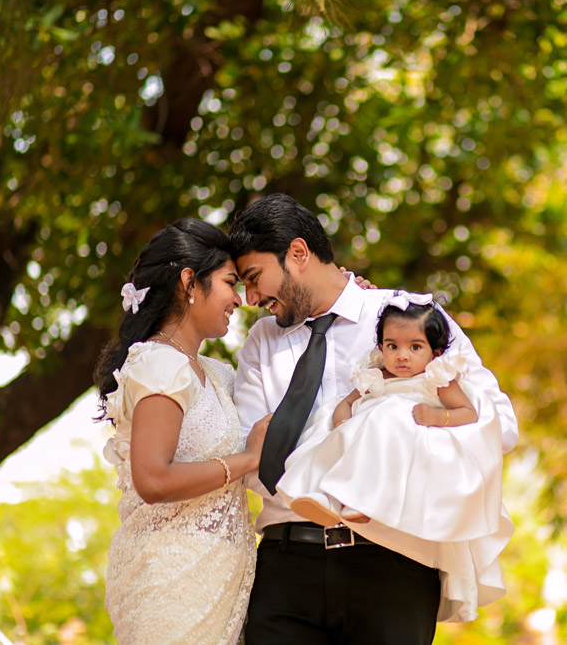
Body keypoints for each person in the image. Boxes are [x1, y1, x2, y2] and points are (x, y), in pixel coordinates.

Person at [229, 193, 519, 644]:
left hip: (394, 564)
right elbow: (257, 465)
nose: (249, 298)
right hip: (287, 567)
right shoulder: (260, 344)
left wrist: (400, 429)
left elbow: (497, 425)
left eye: (254, 277)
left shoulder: (411, 319)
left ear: (299, 254)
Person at [275, 292, 512, 623]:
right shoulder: (376, 377)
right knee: (331, 427)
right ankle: (322, 498)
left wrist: (437, 416)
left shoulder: (436, 380)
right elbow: (346, 402)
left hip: (408, 441)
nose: (402, 356)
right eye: (392, 346)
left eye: (415, 347)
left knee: (386, 421)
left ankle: (359, 501)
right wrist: (343, 421)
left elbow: (468, 413)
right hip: (369, 437)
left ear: (435, 352)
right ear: (381, 348)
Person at [94, 218, 272, 644]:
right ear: (189, 283)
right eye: (230, 282)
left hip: (222, 583)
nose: (240, 299)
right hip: (170, 584)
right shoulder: (160, 364)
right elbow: (153, 479)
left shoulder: (216, 373)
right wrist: (247, 460)